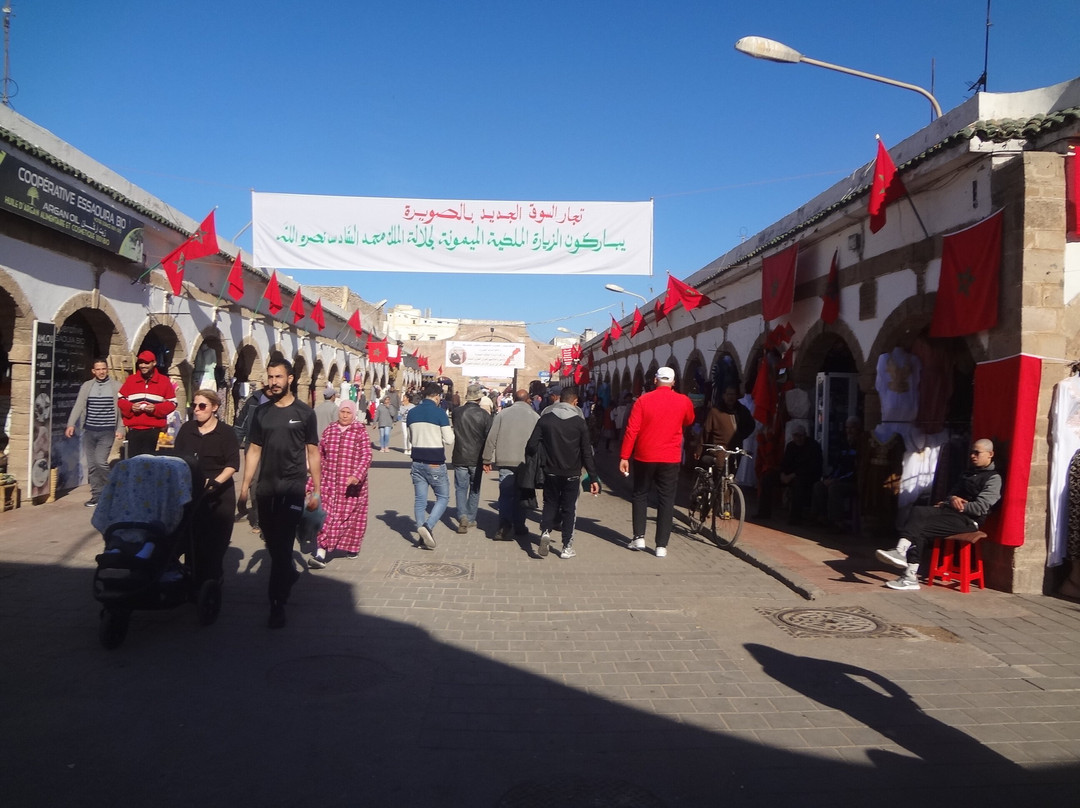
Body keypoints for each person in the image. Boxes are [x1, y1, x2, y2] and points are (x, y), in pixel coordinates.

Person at [237, 357, 321, 629]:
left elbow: (312, 451)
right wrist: (244, 487)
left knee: (283, 545)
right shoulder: (261, 413)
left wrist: (317, 489)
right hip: (266, 489)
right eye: (270, 377)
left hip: (292, 487)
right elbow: (254, 450)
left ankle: (277, 604)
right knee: (272, 544)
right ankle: (288, 574)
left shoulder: (305, 413)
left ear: (290, 379)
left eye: (278, 377)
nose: (272, 383)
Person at [876, 438, 1002, 591]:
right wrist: (953, 499)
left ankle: (909, 573)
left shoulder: (993, 479)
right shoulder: (968, 472)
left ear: (990, 454)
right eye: (971, 452)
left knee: (919, 528)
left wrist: (959, 505)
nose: (972, 456)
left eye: (977, 453)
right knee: (918, 511)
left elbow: (981, 507)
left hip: (968, 521)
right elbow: (951, 494)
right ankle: (902, 554)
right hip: (951, 512)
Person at [618, 367, 695, 558]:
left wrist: (624, 456)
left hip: (645, 455)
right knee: (666, 499)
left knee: (640, 494)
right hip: (670, 457)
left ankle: (639, 537)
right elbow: (689, 419)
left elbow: (632, 429)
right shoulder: (683, 401)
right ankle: (661, 545)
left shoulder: (643, 401)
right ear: (674, 382)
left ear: (655, 381)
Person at [173, 389, 240, 585]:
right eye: (194, 405)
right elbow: (177, 458)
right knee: (191, 538)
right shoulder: (187, 429)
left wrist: (215, 482)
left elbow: (233, 464)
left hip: (219, 495)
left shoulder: (226, 433)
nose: (197, 410)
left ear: (214, 408)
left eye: (202, 406)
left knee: (214, 543)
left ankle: (211, 579)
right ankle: (191, 577)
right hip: (191, 492)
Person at [527, 387, 600, 559]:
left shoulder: (545, 420)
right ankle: (567, 547)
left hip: (550, 471)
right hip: (572, 472)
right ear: (575, 402)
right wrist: (593, 477)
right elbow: (586, 452)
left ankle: (545, 532)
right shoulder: (579, 423)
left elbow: (531, 445)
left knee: (550, 503)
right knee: (569, 509)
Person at [307, 399, 372, 569]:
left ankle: (352, 547)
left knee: (351, 519)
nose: (344, 415)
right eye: (342, 412)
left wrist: (357, 475)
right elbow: (320, 456)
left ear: (353, 414)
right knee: (327, 518)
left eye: (348, 412)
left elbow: (366, 456)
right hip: (329, 484)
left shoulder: (360, 432)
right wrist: (311, 482)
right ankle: (321, 553)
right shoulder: (330, 430)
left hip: (351, 487)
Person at [482, 389, 540, 541]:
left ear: (514, 399)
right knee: (522, 495)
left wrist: (486, 459)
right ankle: (520, 526)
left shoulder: (502, 414)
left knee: (506, 496)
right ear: (528, 400)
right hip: (525, 464)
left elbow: (491, 438)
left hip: (505, 461)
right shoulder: (535, 416)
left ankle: (504, 526)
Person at [65, 358, 123, 507]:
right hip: (90, 430)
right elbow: (78, 405)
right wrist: (71, 424)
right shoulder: (87, 386)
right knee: (92, 465)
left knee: (100, 462)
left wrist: (120, 428)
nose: (101, 372)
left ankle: (114, 489)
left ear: (107, 369)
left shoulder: (116, 386)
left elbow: (123, 410)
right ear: (93, 371)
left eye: (103, 369)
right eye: (98, 369)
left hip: (107, 430)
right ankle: (97, 496)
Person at [406, 382, 455, 549]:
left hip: (417, 461)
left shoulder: (411, 413)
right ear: (437, 397)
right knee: (443, 497)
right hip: (435, 462)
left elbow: (411, 439)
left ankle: (421, 537)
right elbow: (449, 440)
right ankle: (427, 526)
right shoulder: (440, 413)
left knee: (420, 500)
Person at [755, 423, 823, 523]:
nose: (798, 439)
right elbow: (785, 463)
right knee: (767, 478)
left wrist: (792, 475)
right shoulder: (791, 446)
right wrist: (782, 474)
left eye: (801, 436)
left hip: (806, 476)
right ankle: (764, 512)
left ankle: (795, 517)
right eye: (796, 436)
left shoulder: (813, 446)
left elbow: (811, 467)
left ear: (805, 435)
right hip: (790, 475)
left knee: (798, 484)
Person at [118, 350, 177, 457]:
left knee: (148, 461)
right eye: (140, 363)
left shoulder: (164, 381)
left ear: (154, 363)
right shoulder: (131, 380)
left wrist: (156, 409)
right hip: (134, 429)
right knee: (134, 461)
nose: (143, 366)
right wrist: (131, 407)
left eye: (146, 363)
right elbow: (120, 399)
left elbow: (173, 403)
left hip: (153, 430)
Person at [451, 384, 493, 534]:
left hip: (460, 455)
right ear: (479, 398)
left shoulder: (457, 412)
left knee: (460, 488)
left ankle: (462, 515)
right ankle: (470, 518)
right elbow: (489, 437)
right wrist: (488, 458)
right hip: (477, 457)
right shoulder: (485, 415)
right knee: (475, 489)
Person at [811, 417, 861, 529]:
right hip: (839, 478)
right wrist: (830, 478)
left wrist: (838, 480)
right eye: (847, 428)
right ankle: (821, 517)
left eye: (852, 428)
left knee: (834, 488)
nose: (849, 431)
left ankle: (837, 522)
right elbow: (837, 466)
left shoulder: (861, 445)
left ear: (858, 428)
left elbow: (856, 471)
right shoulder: (843, 444)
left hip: (853, 481)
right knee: (819, 485)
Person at [700, 386, 755, 461]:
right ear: (723, 396)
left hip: (735, 451)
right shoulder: (715, 411)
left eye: (733, 394)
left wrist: (740, 436)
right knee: (720, 470)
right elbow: (706, 431)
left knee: (733, 470)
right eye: (728, 394)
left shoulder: (742, 411)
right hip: (719, 450)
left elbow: (751, 425)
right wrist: (700, 449)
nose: (730, 397)